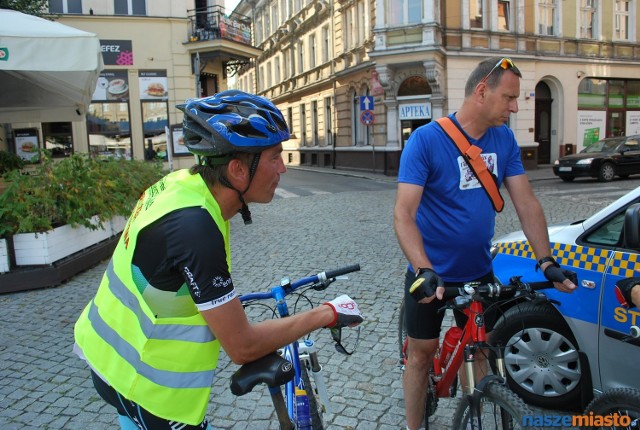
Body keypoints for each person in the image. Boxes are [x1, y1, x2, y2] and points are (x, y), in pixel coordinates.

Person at [73, 90, 363, 429]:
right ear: (239, 170)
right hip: (148, 388)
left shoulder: (180, 185)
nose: (283, 168)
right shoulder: (196, 228)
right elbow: (243, 347)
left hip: (106, 356)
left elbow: (172, 275)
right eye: (275, 156)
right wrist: (326, 313)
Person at [393, 57, 577, 430]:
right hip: (431, 275)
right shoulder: (426, 140)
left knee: (480, 350)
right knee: (421, 354)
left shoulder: (504, 139)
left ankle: (476, 407)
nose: (514, 107)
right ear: (482, 91)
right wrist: (425, 269)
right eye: (509, 98)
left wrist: (546, 260)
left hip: (478, 271)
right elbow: (404, 214)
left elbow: (526, 202)